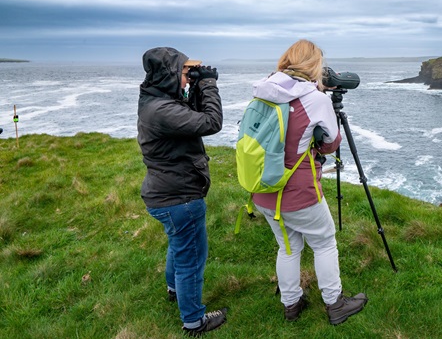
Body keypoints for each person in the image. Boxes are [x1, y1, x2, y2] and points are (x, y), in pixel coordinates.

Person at [251, 39, 368, 325]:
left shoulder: (263, 92)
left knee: (288, 246)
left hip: (263, 187)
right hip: (298, 192)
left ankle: (291, 304)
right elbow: (329, 144)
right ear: (315, 65)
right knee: (325, 242)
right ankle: (335, 303)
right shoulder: (316, 100)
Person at [137, 46, 227, 336]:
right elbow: (211, 122)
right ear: (170, 74)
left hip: (166, 192)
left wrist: (197, 85)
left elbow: (189, 112)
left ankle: (174, 289)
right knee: (192, 258)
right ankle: (194, 320)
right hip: (180, 196)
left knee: (178, 247)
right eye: (185, 73)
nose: (188, 79)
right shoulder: (163, 110)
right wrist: (210, 84)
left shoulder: (155, 99)